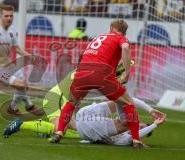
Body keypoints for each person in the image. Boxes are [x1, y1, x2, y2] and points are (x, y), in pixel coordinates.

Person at [50, 19, 163, 148]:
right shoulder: (121, 38)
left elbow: (89, 55)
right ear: (124, 32)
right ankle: (136, 140)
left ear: (111, 28)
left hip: (82, 71)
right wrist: (126, 72)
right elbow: (125, 49)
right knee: (127, 102)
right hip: (101, 73)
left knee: (71, 103)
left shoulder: (99, 37)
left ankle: (59, 133)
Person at [3, 98, 166, 147]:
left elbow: (132, 137)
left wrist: (152, 124)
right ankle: (25, 124)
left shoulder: (124, 137)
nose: (140, 125)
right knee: (123, 105)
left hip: (84, 119)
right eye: (142, 124)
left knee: (63, 127)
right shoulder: (123, 129)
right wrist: (154, 123)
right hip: (87, 120)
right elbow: (132, 131)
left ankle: (23, 124)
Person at [0, 5, 44, 116]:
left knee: (23, 83)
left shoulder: (13, 30)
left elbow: (16, 48)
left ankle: (21, 107)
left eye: (11, 16)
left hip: (8, 65)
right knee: (20, 85)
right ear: (0, 16)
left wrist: (29, 56)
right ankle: (25, 107)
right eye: (6, 16)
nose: (9, 18)